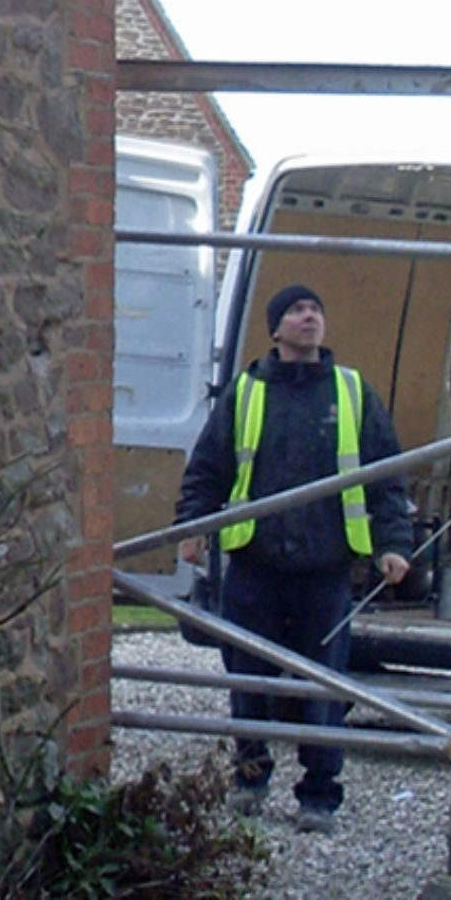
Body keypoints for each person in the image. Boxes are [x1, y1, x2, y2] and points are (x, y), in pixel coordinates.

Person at [176, 283, 412, 835]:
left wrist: (393, 543)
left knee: (325, 686)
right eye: (298, 311)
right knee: (248, 679)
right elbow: (208, 467)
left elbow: (386, 477)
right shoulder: (246, 392)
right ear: (276, 328)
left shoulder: (353, 392)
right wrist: (192, 528)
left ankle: (320, 794)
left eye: (316, 309)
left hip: (325, 568)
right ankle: (250, 778)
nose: (310, 318)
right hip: (255, 563)